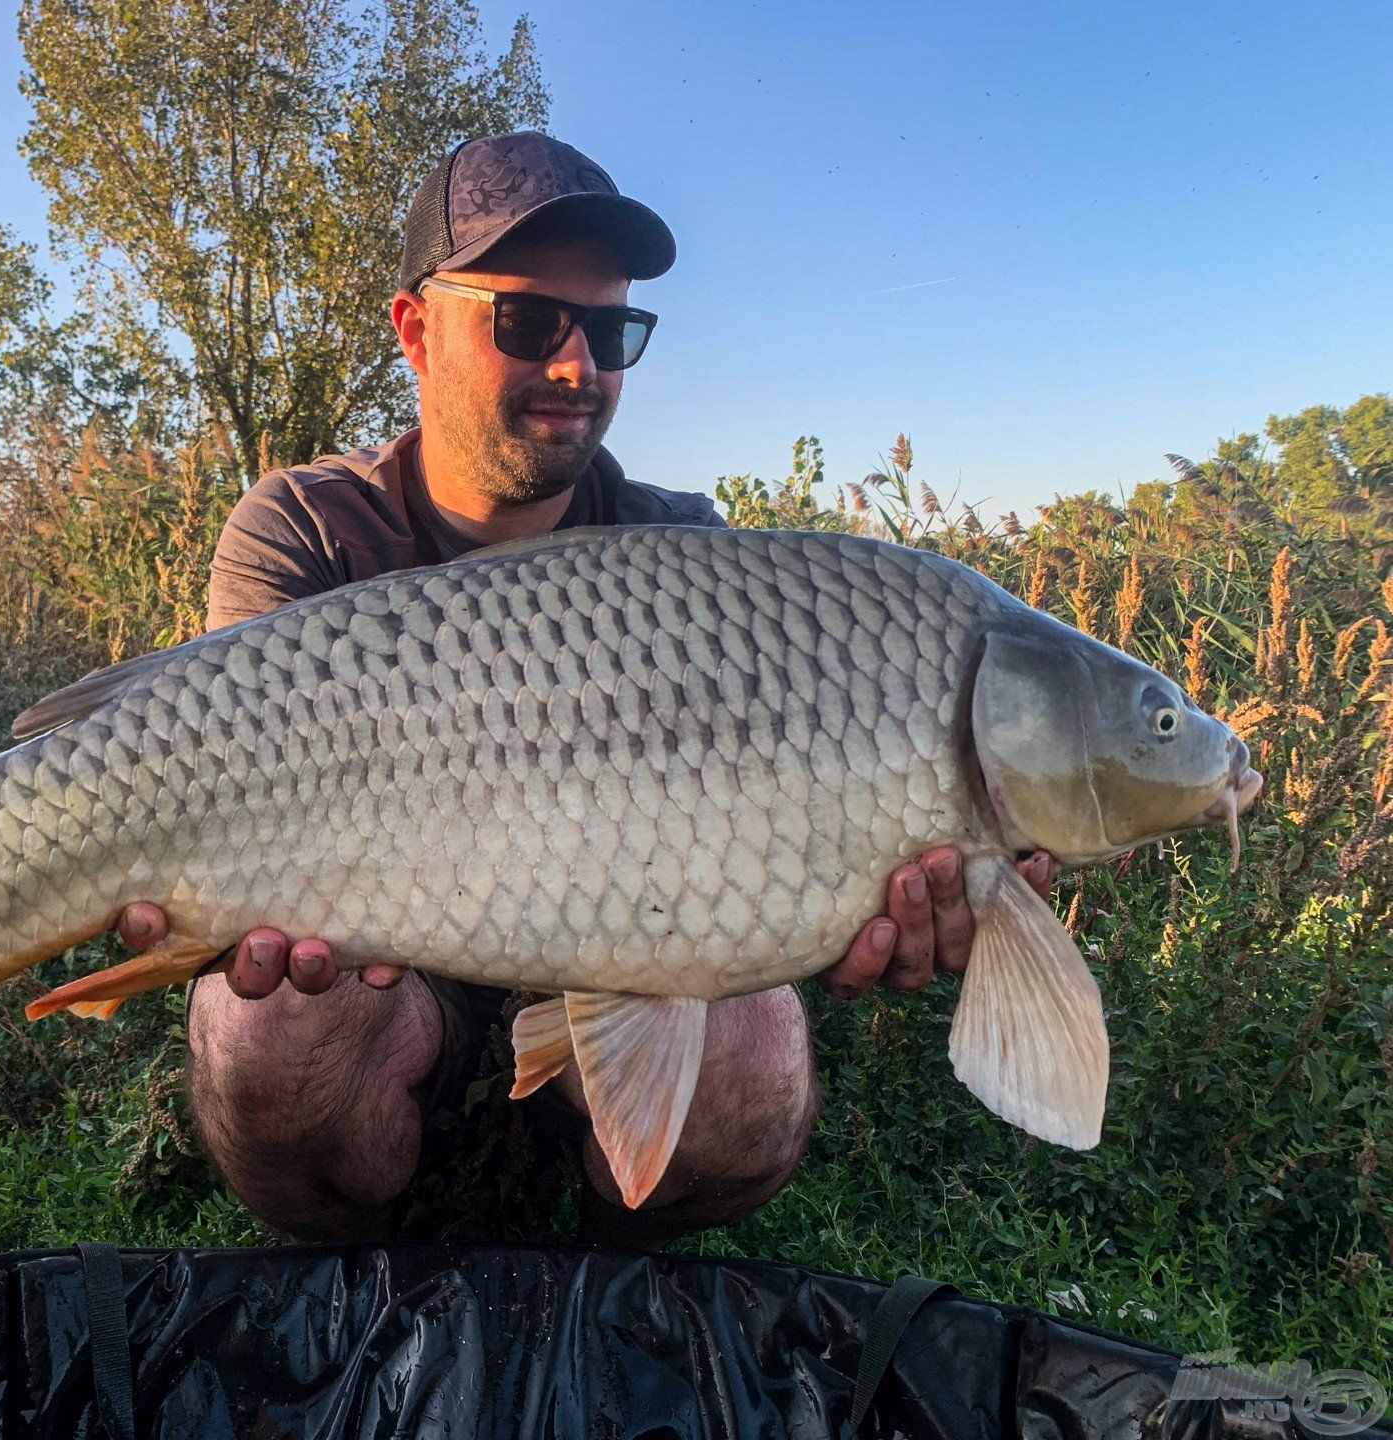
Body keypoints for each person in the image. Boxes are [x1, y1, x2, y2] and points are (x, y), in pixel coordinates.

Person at [111, 133, 1055, 1247]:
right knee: (263, 1031)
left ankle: (593, 1256)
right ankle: (360, 1274)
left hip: (628, 950)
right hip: (379, 976)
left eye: (611, 332)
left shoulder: (686, 554)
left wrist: (874, 887)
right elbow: (223, 794)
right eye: (527, 322)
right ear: (415, 331)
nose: (577, 367)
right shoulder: (306, 528)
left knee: (753, 1059)